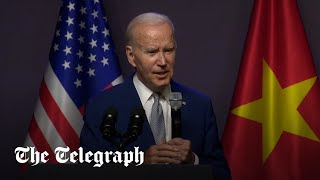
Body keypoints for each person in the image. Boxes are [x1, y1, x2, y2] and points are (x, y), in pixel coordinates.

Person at [80, 12, 231, 179]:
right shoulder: (101, 107)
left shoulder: (200, 106)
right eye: (152, 52)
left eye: (168, 50)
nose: (163, 62)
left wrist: (193, 161)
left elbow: (221, 175)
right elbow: (88, 173)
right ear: (131, 56)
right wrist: (139, 164)